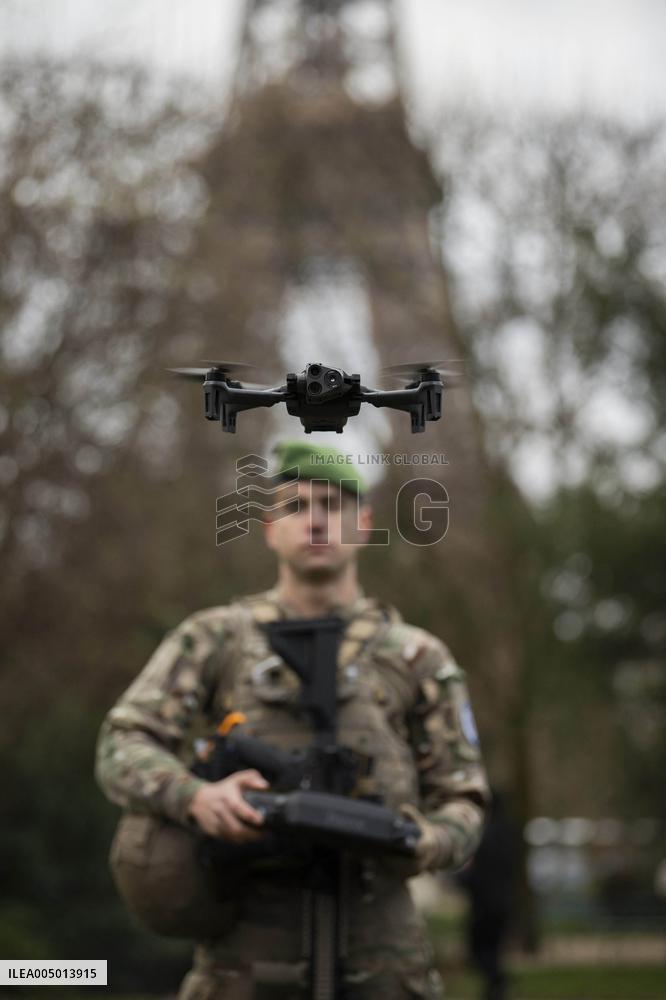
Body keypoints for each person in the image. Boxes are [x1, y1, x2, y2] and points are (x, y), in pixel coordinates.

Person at [95, 440, 489, 1000]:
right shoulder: (216, 640)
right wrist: (196, 798)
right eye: (296, 506)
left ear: (365, 522)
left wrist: (423, 839)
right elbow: (121, 742)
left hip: (384, 967)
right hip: (244, 965)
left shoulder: (417, 659)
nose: (316, 522)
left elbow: (466, 798)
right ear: (267, 527)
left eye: (333, 505)